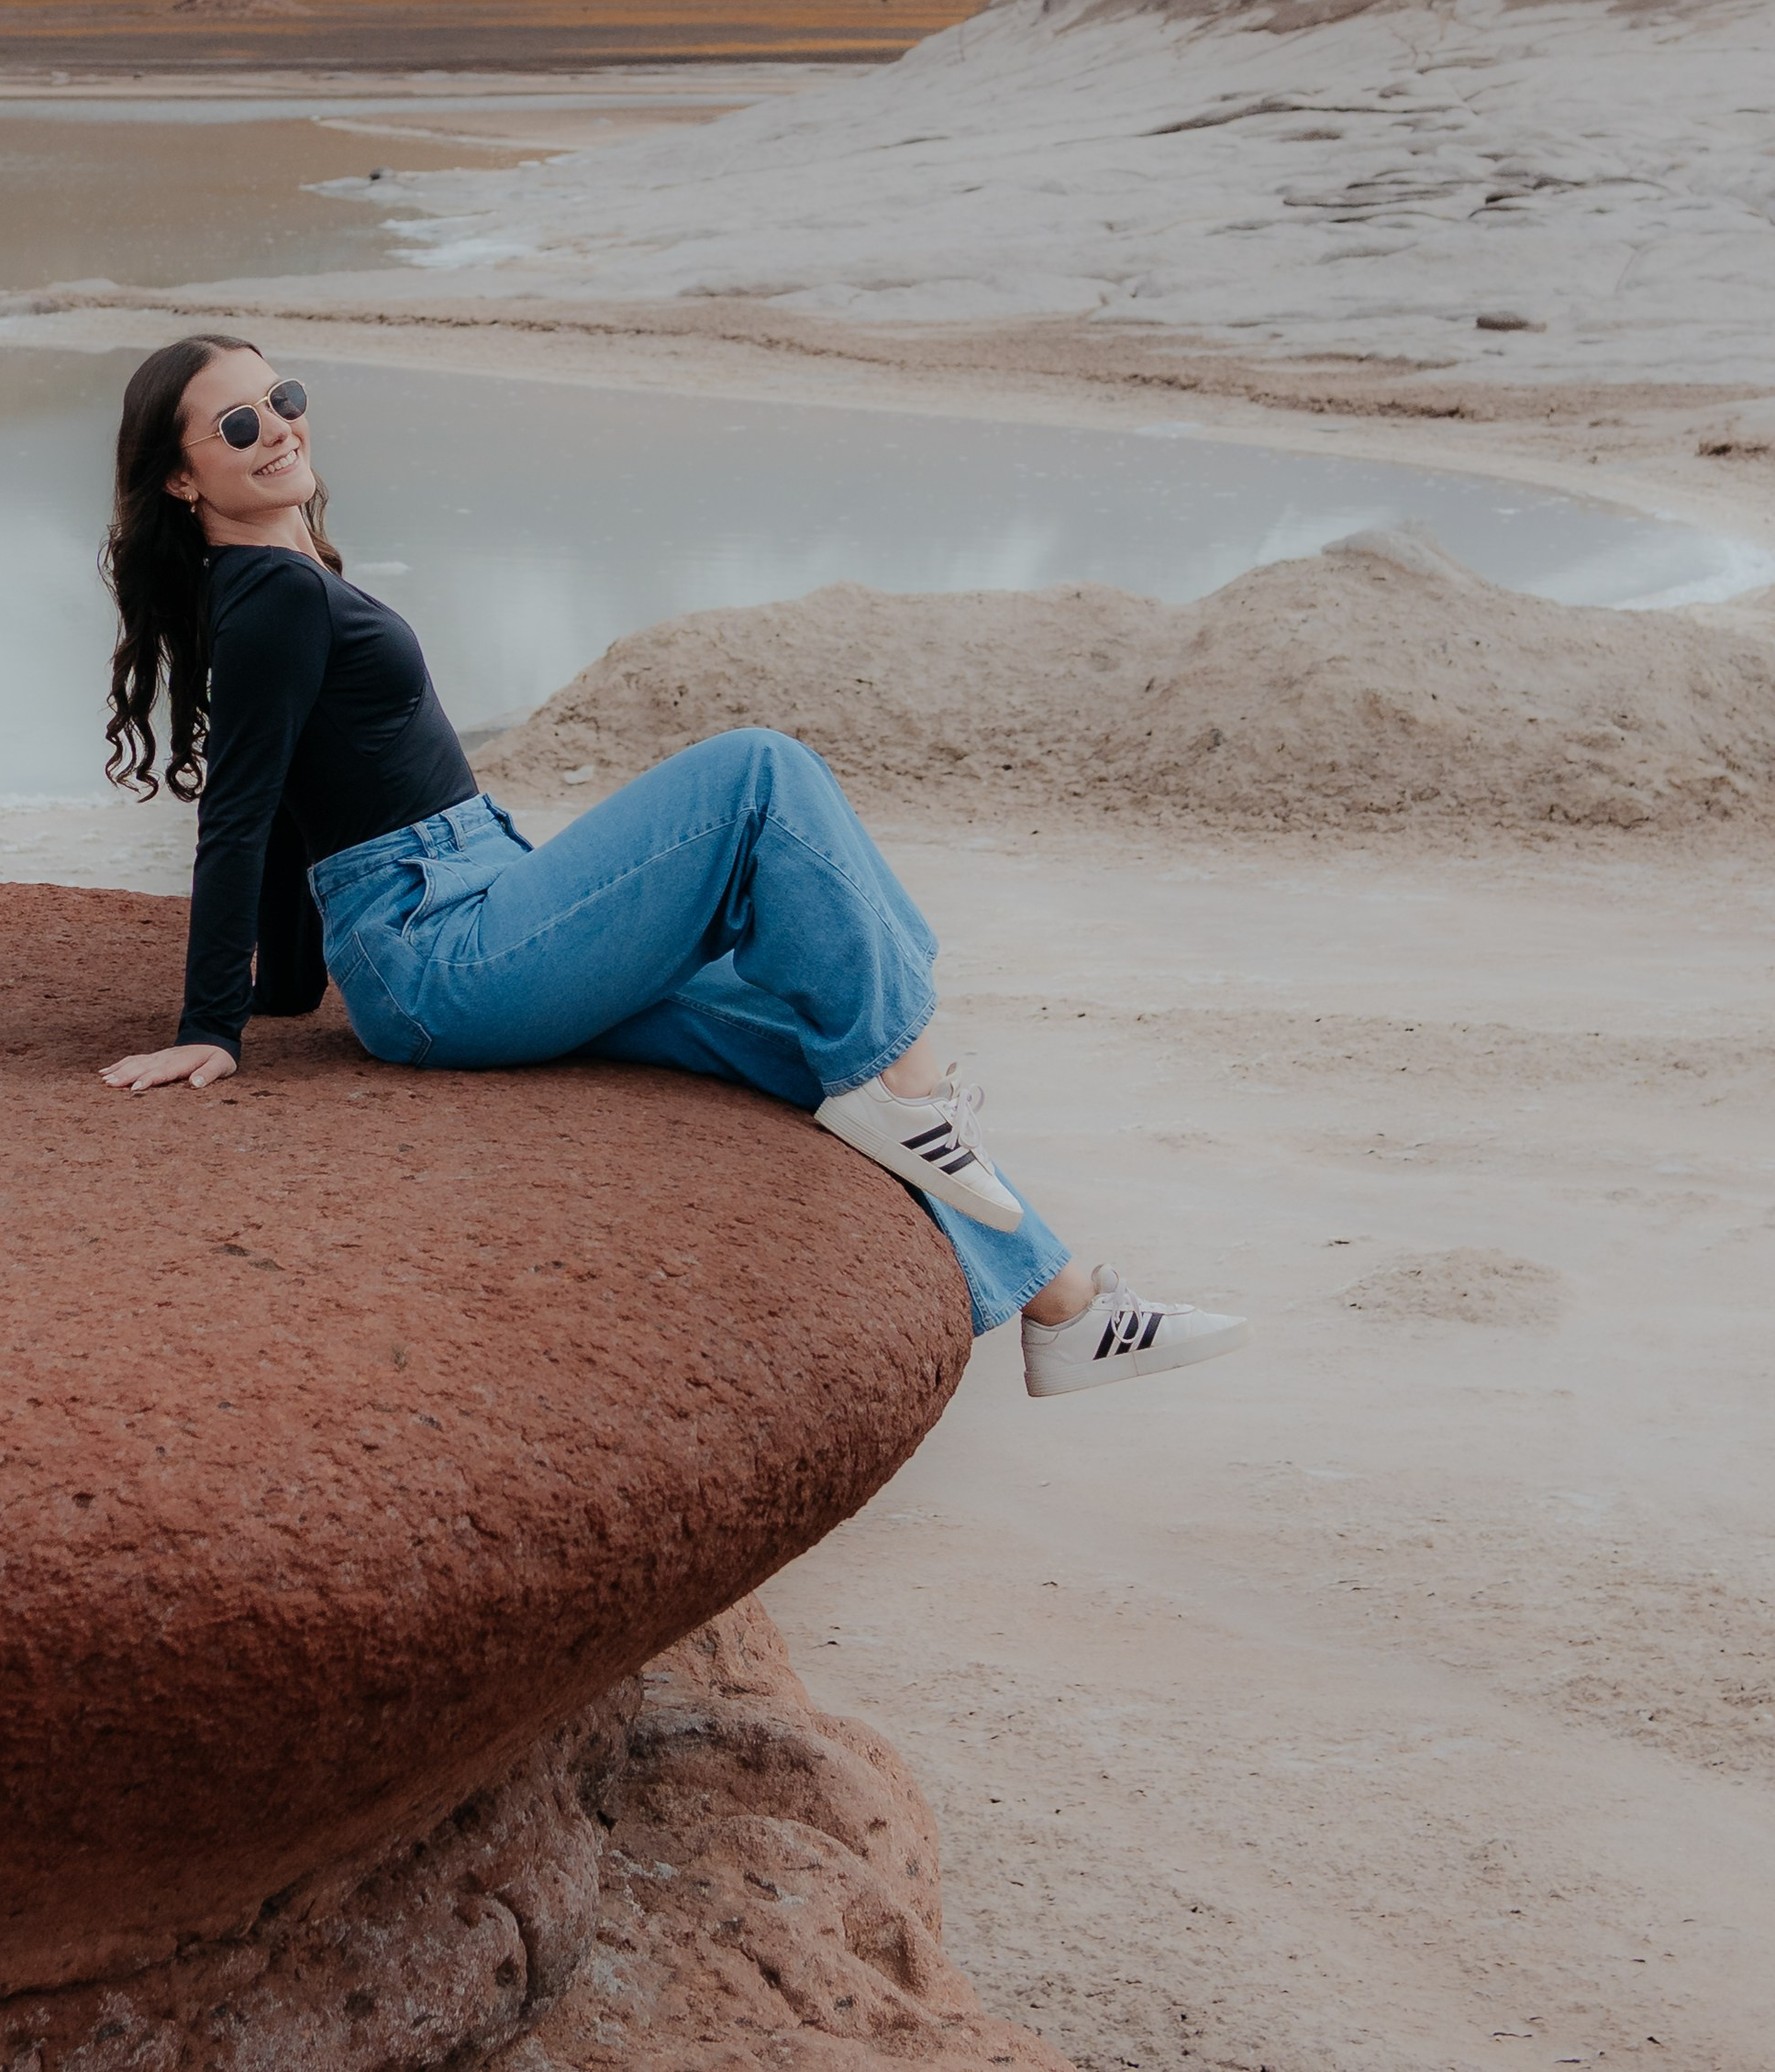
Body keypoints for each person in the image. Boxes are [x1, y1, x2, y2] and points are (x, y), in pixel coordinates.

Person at [96, 335, 1246, 1403]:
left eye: (283, 398)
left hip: (469, 913)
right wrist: (215, 1024)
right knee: (760, 773)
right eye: (237, 425)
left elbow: (305, 802)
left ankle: (1062, 1307)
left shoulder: (280, 581)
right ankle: (918, 1093)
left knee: (803, 1041)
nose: (279, 428)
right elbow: (243, 815)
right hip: (445, 945)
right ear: (183, 481)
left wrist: (291, 989)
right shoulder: (278, 596)